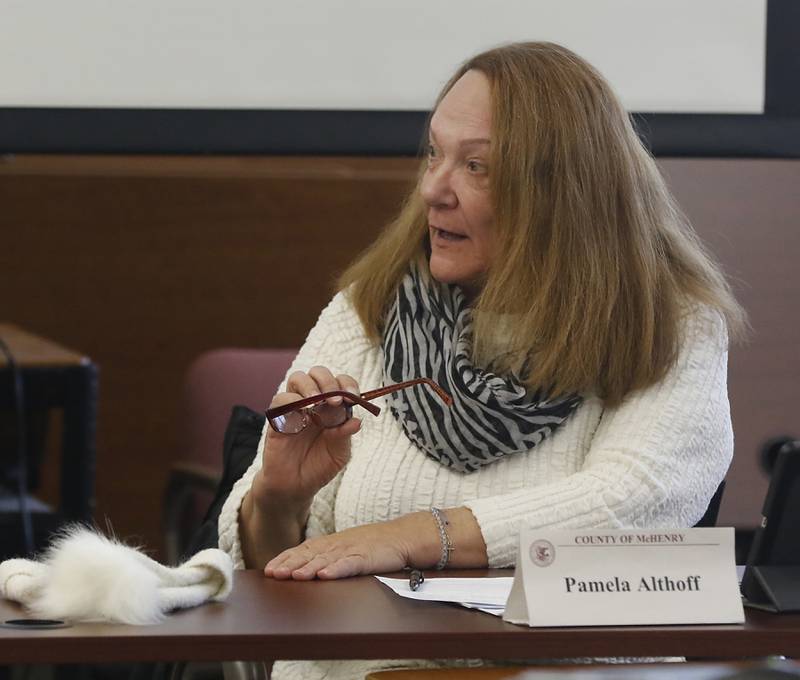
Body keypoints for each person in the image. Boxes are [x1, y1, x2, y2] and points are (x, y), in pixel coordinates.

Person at [218, 41, 746, 679]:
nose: (432, 190)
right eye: (436, 154)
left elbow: (637, 502)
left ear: (563, 194)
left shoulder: (670, 326)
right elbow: (281, 575)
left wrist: (414, 535)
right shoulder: (371, 309)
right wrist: (277, 496)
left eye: (478, 167)